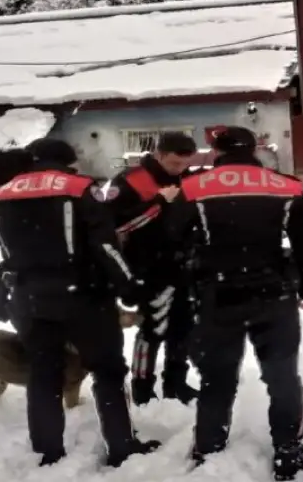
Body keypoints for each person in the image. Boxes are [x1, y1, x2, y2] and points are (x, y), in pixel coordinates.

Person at [0, 138, 162, 468]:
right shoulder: (80, 188)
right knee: (108, 372)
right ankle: (121, 446)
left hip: (29, 300)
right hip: (85, 298)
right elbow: (106, 247)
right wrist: (129, 287)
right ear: (69, 163)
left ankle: (47, 450)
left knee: (43, 372)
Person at [159, 126, 303, 481]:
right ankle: (288, 449)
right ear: (256, 150)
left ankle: (209, 446)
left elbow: (172, 238)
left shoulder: (194, 187)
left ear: (216, 151)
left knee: (218, 376)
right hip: (273, 293)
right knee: (282, 375)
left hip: (218, 293)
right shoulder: (286, 185)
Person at [105, 132, 200, 406]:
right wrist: (158, 203)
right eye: (173, 164)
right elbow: (115, 228)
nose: (179, 169)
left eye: (184, 164)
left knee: (183, 327)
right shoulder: (130, 181)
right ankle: (142, 386)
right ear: (158, 154)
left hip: (184, 264)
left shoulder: (188, 179)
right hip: (147, 266)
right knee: (152, 328)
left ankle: (176, 383)